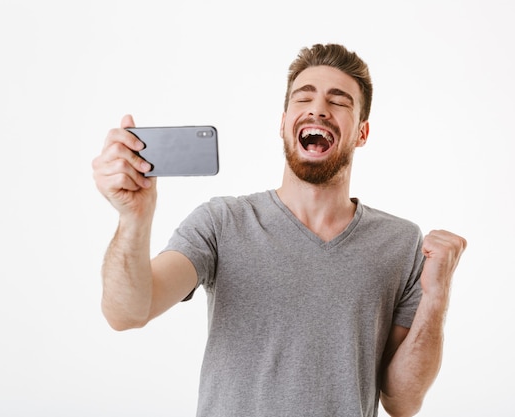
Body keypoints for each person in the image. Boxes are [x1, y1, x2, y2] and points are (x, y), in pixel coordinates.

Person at [92, 43, 467, 417]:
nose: (318, 108)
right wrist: (133, 219)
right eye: (304, 99)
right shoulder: (222, 222)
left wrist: (436, 297)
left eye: (338, 101)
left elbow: (402, 402)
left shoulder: (400, 244)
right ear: (284, 122)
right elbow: (127, 313)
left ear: (362, 133)